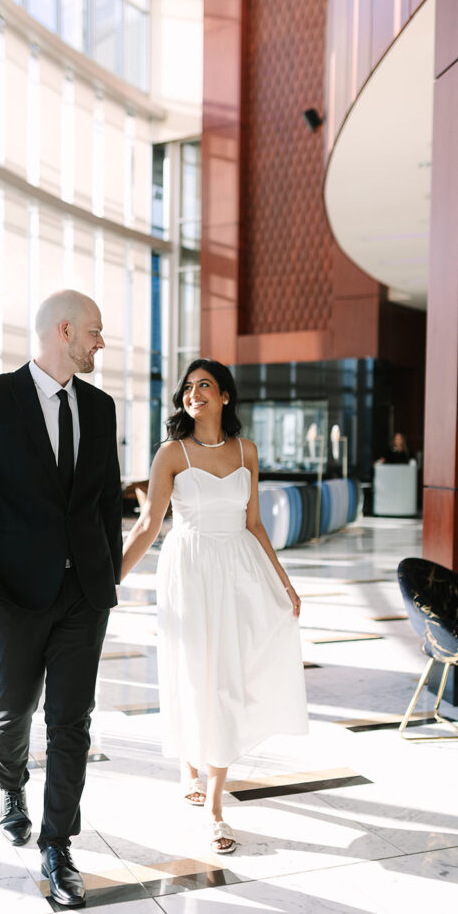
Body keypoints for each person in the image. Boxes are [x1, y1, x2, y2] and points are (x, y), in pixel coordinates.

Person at [0, 289, 122, 908]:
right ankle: (11, 786)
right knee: (15, 707)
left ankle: (58, 846)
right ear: (66, 331)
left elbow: (105, 504)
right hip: (15, 596)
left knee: (71, 721)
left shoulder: (100, 409)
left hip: (84, 596)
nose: (102, 342)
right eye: (96, 332)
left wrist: (108, 583)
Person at [121, 359, 308, 854]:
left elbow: (256, 523)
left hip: (239, 571)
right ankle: (188, 763)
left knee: (227, 677)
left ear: (225, 396)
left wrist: (283, 584)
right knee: (192, 672)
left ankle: (215, 805)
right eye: (188, 386)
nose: (193, 392)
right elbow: (147, 527)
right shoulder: (172, 453)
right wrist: (108, 580)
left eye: (204, 385)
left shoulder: (247, 451)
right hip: (189, 571)